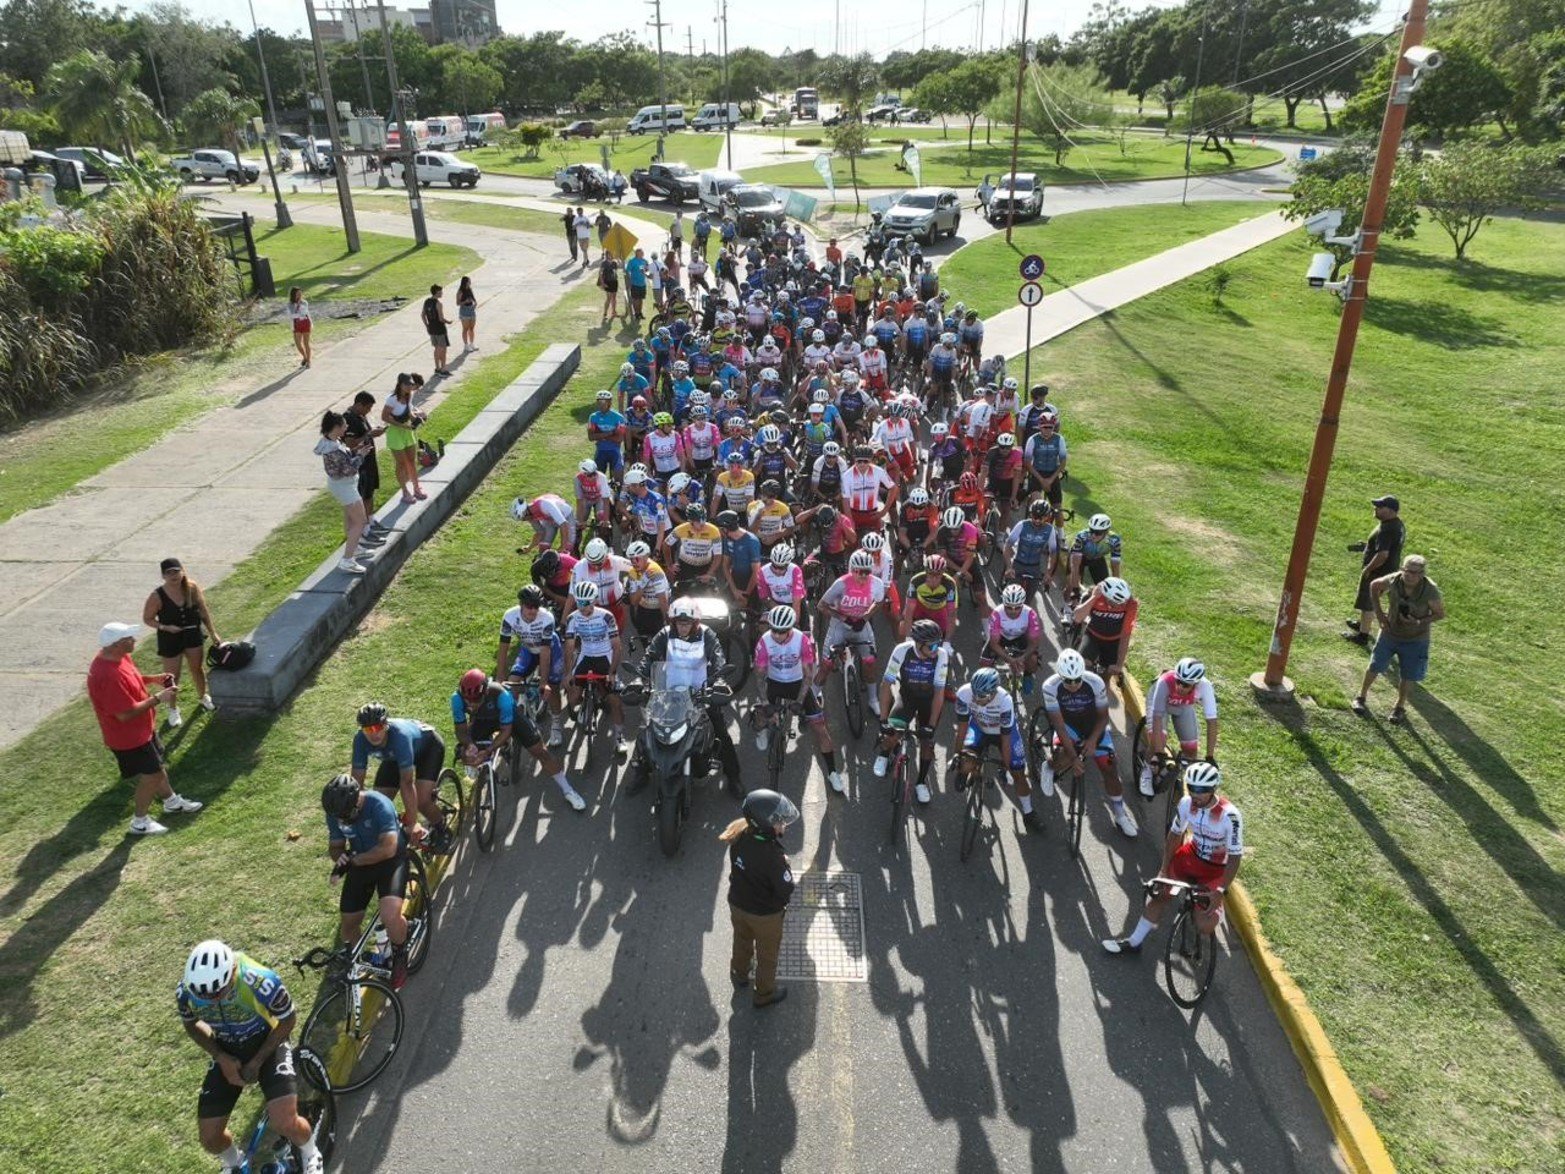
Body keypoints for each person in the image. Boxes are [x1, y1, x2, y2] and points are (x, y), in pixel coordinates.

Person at [177, 939, 323, 1174]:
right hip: (227, 1048)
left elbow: (288, 1019)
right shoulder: (186, 991)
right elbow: (191, 1025)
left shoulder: (260, 980)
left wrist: (257, 1061)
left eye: (220, 992)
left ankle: (310, 1152)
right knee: (209, 1137)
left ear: (233, 972)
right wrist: (220, 1056)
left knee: (284, 1122)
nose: (214, 999)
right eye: (207, 997)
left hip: (268, 1044)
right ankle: (234, 1162)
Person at [1103, 762, 1241, 956]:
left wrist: (1220, 891)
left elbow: (1235, 857)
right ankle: (1134, 942)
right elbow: (1175, 835)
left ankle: (1216, 910)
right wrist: (1163, 869)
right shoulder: (1186, 803)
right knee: (1160, 895)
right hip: (1189, 858)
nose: (1195, 794)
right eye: (1192, 788)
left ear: (1213, 789)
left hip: (1215, 871)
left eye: (1201, 790)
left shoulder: (1230, 816)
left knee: (1203, 926)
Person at [87, 621, 204, 836]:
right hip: (129, 738)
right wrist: (159, 698)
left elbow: (130, 681)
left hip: (143, 729)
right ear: (114, 645)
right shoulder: (107, 675)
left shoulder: (119, 657)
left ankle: (171, 802)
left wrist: (153, 679)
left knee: (157, 768)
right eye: (128, 639)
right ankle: (139, 822)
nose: (134, 640)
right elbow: (125, 714)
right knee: (151, 775)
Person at [635, 597, 741, 793]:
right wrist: (639, 677)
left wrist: (719, 681)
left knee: (720, 731)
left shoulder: (706, 635)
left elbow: (718, 657)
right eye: (679, 623)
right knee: (647, 728)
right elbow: (649, 656)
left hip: (699, 694)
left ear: (695, 622)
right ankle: (640, 772)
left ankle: (733, 777)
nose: (683, 627)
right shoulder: (665, 634)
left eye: (687, 623)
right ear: (673, 621)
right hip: (669, 692)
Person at [319, 773, 413, 989]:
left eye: (345, 815)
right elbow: (335, 846)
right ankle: (361, 961)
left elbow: (388, 848)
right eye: (337, 817)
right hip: (360, 862)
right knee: (349, 923)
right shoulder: (336, 812)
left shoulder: (380, 805)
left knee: (390, 915)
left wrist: (354, 860)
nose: (341, 820)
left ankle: (400, 953)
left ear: (357, 802)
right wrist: (339, 856)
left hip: (390, 861)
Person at [453, 667, 582, 811]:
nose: (471, 704)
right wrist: (469, 745)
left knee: (541, 752)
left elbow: (506, 731)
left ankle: (568, 790)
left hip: (511, 721)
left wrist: (489, 749)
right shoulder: (457, 699)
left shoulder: (502, 696)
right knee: (464, 753)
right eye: (467, 701)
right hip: (483, 721)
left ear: (486, 692)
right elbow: (461, 731)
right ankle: (479, 766)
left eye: (476, 700)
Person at [1040, 648, 1136, 837]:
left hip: (1093, 726)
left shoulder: (1095, 682)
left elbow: (1103, 717)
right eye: (1068, 680)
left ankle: (1119, 813)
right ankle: (1049, 766)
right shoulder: (1050, 686)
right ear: (1060, 675)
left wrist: (1092, 741)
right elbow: (1058, 725)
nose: (1074, 684)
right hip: (1068, 727)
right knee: (1064, 758)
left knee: (1110, 768)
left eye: (1078, 679)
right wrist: (1075, 757)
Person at [719, 788, 799, 1008]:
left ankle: (739, 973)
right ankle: (764, 994)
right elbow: (786, 889)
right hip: (765, 916)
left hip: (737, 904)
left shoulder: (739, 835)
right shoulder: (773, 857)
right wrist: (787, 866)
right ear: (764, 825)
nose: (783, 824)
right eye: (778, 821)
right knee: (767, 956)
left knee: (741, 940)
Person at [349, 702, 453, 853]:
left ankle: (442, 828)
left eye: (377, 727)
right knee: (378, 803)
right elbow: (357, 784)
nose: (373, 733)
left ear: (386, 725)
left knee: (422, 801)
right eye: (367, 729)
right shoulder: (360, 740)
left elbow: (407, 783)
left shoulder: (399, 736)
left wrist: (412, 823)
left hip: (428, 749)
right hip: (394, 758)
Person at [1353, 554, 1443, 724]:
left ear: (1422, 574)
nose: (1409, 575)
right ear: (1402, 569)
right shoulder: (1394, 580)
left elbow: (1439, 614)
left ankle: (1399, 707)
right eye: (1406, 570)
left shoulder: (1430, 591)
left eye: (1415, 572)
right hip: (1390, 633)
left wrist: (1418, 621)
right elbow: (1374, 585)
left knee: (1408, 674)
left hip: (1415, 639)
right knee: (1375, 665)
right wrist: (1379, 615)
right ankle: (1361, 696)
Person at [952, 666, 1041, 831]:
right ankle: (966, 772)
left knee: (1018, 773)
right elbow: (962, 728)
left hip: (1002, 733)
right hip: (978, 728)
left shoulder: (1005, 700)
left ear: (994, 692)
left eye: (983, 696)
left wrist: (1006, 766)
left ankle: (1029, 813)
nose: (977, 699)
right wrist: (958, 754)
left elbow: (1006, 740)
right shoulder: (964, 693)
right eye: (975, 694)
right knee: (965, 760)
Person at [873, 620, 949, 804]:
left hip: (929, 701)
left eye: (938, 643)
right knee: (891, 732)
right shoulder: (902, 650)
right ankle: (884, 754)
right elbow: (886, 684)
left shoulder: (941, 655)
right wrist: (883, 720)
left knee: (927, 743)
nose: (935, 648)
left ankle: (921, 782)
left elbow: (939, 693)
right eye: (931, 645)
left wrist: (930, 726)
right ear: (918, 643)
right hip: (907, 697)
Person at [142, 558, 221, 726]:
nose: (173, 575)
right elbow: (147, 619)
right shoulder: (157, 596)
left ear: (182, 571)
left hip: (192, 634)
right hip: (169, 638)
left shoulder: (192, 588)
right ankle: (173, 709)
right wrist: (165, 627)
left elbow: (203, 611)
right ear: (163, 575)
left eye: (176, 571)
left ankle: (203, 696)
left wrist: (213, 633)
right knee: (172, 677)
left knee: (197, 669)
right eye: (169, 573)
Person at [562, 580, 629, 752]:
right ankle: (586, 705)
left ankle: (619, 736)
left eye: (586, 604)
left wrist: (612, 672)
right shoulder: (572, 618)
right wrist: (568, 673)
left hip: (604, 656)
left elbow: (616, 646)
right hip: (585, 656)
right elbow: (569, 646)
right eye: (579, 603)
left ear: (594, 600)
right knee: (573, 698)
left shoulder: (606, 616)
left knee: (614, 701)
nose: (582, 608)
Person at [1140, 658, 1219, 797]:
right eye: (1178, 681)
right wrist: (1159, 752)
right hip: (1160, 704)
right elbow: (1157, 717)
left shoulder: (1205, 687)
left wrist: (1210, 756)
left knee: (1191, 749)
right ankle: (1145, 770)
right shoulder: (1165, 681)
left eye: (1186, 685)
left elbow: (1212, 722)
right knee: (1158, 740)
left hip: (1182, 706)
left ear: (1196, 684)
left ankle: (1184, 782)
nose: (1180, 687)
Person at [315, 410, 374, 573]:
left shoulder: (330, 442)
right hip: (345, 487)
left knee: (350, 519)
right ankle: (347, 560)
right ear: (336, 427)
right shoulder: (332, 448)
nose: (347, 426)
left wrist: (355, 452)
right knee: (360, 522)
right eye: (344, 424)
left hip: (343, 486)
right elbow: (348, 469)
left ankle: (355, 548)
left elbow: (343, 462)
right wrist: (361, 455)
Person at [1345, 495, 1404, 646]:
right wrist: (1367, 546)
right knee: (1369, 601)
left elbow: (1383, 555)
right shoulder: (1397, 524)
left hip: (1378, 572)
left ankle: (1362, 636)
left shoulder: (1387, 529)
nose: (1375, 508)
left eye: (1379, 507)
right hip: (1388, 571)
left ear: (1390, 511)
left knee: (1368, 602)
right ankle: (1363, 624)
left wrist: (1368, 569)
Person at [341, 391, 387, 538]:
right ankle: (364, 530)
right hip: (359, 464)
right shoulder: (348, 420)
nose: (369, 411)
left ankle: (370, 521)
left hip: (369, 461)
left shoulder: (361, 416)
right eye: (367, 408)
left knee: (369, 493)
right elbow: (350, 444)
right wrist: (369, 435)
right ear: (359, 404)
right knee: (361, 498)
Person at [381, 373, 427, 506]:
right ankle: (405, 492)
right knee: (401, 464)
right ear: (400, 384)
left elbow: (409, 412)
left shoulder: (409, 395)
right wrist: (403, 426)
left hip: (407, 432)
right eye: (407, 384)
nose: (410, 387)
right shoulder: (392, 399)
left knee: (411, 461)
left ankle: (416, 487)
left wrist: (417, 419)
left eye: (411, 384)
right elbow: (384, 417)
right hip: (396, 433)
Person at [421, 284, 453, 376]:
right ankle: (443, 369)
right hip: (440, 328)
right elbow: (441, 319)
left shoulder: (426, 301)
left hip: (431, 328)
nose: (442, 293)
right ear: (436, 292)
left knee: (436, 349)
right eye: (440, 292)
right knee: (442, 349)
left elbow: (422, 315)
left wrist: (427, 326)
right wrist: (448, 322)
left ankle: (437, 368)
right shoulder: (438, 304)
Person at [288, 286, 312, 369]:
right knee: (298, 344)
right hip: (296, 325)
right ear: (294, 294)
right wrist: (297, 309)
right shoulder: (290, 304)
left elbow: (305, 313)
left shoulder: (304, 302)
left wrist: (311, 324)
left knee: (306, 343)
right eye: (298, 294)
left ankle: (308, 361)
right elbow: (292, 315)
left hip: (305, 323)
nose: (300, 295)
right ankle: (305, 357)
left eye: (300, 293)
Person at [456, 275, 477, 352]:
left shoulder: (470, 289)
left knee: (472, 328)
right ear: (465, 282)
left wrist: (475, 303)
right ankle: (466, 345)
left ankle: (472, 344)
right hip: (464, 311)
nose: (470, 283)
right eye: (469, 281)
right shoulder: (460, 291)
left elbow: (473, 298)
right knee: (465, 329)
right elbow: (457, 303)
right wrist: (465, 302)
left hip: (471, 310)